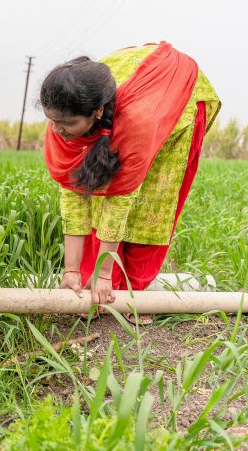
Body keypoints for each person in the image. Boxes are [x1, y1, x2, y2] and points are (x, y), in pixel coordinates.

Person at [39, 42, 221, 324]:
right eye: (53, 121)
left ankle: (135, 291)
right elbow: (74, 194)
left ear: (97, 112)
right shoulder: (63, 113)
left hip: (180, 99)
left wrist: (102, 275)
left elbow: (118, 201)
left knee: (151, 201)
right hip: (139, 91)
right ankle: (92, 283)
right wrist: (71, 271)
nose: (58, 131)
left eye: (67, 124)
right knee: (93, 191)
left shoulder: (137, 123)